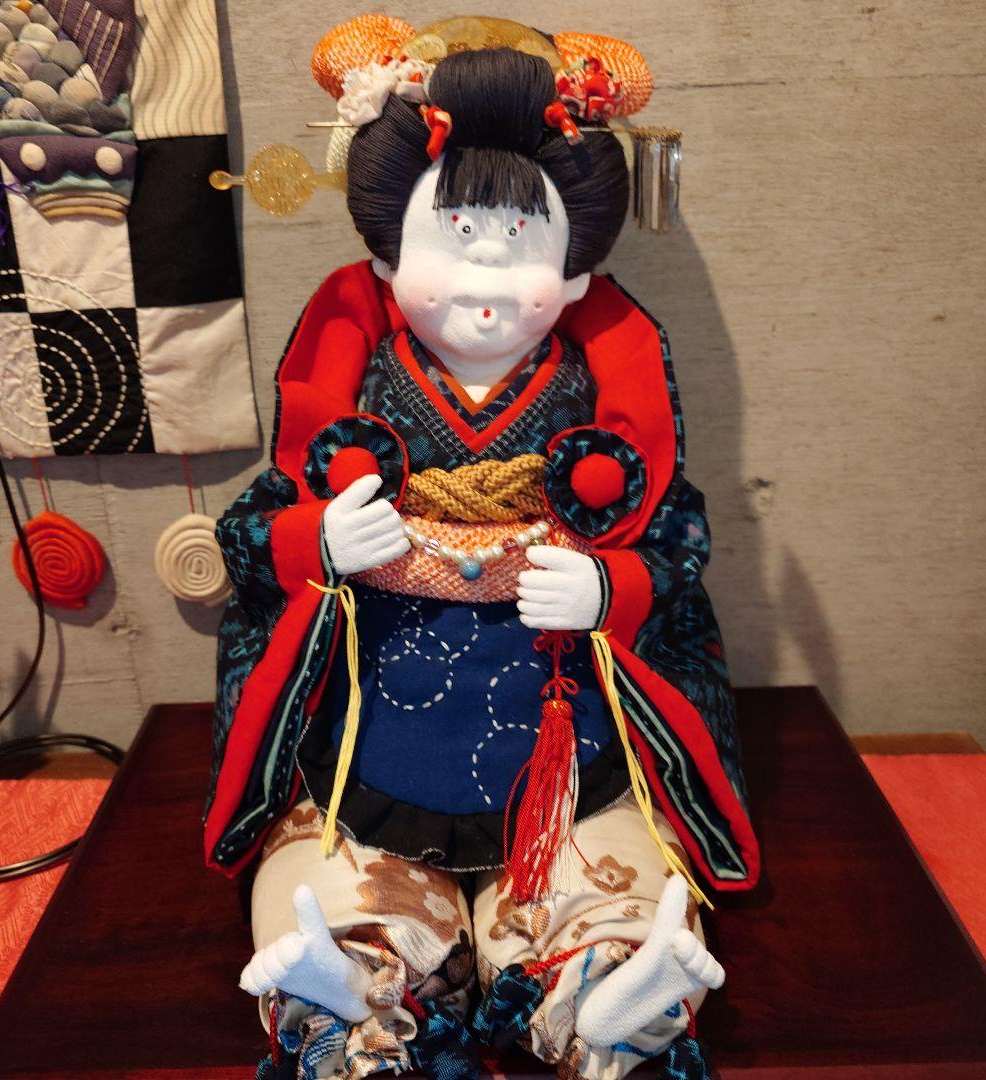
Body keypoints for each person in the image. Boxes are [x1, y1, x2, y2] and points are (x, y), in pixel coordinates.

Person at [206, 37, 759, 1080]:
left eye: (521, 243)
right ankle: (352, 1007)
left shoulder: (603, 397)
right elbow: (249, 533)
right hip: (375, 732)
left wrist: (607, 585)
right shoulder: (351, 389)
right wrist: (319, 542)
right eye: (454, 238)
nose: (485, 276)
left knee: (604, 888)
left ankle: (605, 1000)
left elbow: (678, 538)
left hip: (560, 738)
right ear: (386, 258)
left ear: (577, 269)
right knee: (330, 897)